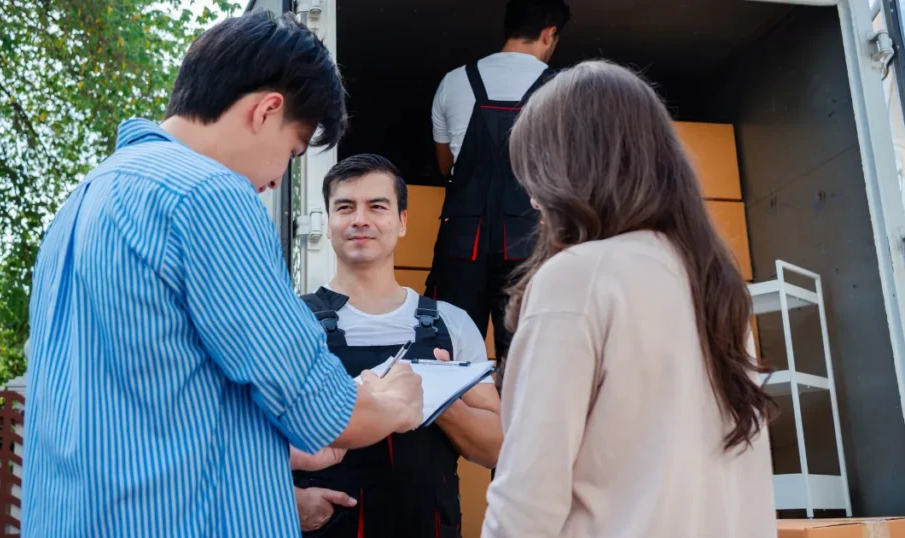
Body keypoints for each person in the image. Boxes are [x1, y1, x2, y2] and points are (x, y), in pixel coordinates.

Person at [21, 11, 425, 538]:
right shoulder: (208, 194)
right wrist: (393, 403)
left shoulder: (87, 196)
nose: (279, 177)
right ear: (267, 110)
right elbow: (318, 402)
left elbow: (144, 401)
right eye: (292, 150)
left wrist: (270, 468)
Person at [480, 60, 778, 537]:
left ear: (568, 172)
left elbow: (524, 507)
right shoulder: (715, 284)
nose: (534, 202)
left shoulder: (577, 277)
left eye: (535, 177)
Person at [292, 154, 502, 538]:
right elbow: (245, 436)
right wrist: (286, 500)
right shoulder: (291, 321)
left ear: (402, 221)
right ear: (328, 222)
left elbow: (495, 448)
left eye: (377, 206)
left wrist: (440, 399)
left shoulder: (450, 323)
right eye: (345, 207)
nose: (360, 219)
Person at [427, 0, 570, 365]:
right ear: (549, 34)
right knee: (527, 361)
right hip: (527, 242)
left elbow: (446, 167)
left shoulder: (453, 81)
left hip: (463, 242)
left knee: (450, 358)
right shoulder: (562, 91)